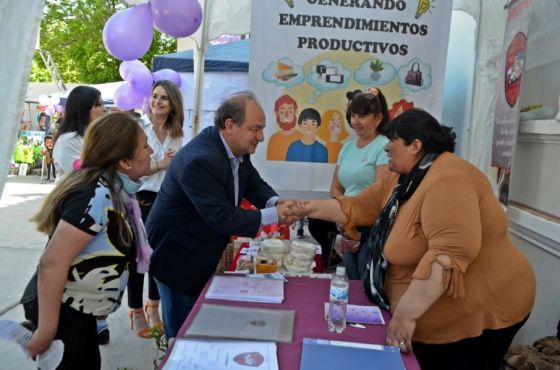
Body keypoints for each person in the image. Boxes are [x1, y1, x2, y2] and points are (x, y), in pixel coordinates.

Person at [294, 108, 536, 370]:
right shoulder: (404, 178)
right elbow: (353, 207)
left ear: (415, 145)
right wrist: (301, 208)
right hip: (434, 317)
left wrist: (406, 315)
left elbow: (446, 258)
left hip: (483, 312)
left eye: (393, 142)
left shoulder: (449, 179)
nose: (386, 149)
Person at [146, 92, 297, 339]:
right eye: (255, 129)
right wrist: (275, 216)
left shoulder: (235, 147)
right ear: (230, 125)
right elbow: (223, 218)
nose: (261, 137)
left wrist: (276, 202)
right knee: (183, 333)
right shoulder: (200, 160)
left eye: (262, 129)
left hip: (200, 251)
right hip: (178, 258)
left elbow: (253, 184)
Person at [21, 112, 153, 369]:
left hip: (79, 314)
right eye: (144, 146)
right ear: (124, 161)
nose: (150, 151)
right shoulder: (96, 194)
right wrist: (47, 331)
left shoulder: (114, 191)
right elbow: (52, 263)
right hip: (65, 314)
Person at [308, 90, 390, 277]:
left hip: (369, 224)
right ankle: (331, 256)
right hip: (346, 221)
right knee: (350, 276)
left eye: (362, 116)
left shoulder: (384, 146)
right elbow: (335, 187)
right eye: (353, 115)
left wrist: (351, 217)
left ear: (378, 118)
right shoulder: (347, 147)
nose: (356, 121)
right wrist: (342, 216)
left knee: (363, 278)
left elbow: (381, 193)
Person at [127, 80, 184, 338]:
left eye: (163, 98)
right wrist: (160, 164)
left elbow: (180, 169)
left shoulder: (179, 133)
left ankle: (153, 308)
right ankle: (136, 311)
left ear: (172, 105)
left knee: (158, 257)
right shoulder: (138, 127)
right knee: (138, 256)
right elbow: (131, 166)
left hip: (167, 200)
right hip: (139, 197)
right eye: (154, 97)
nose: (157, 102)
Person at [53, 86, 105, 182]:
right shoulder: (68, 140)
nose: (103, 109)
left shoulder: (95, 135)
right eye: (98, 105)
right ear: (84, 108)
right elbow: (82, 175)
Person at [266, 94, 302, 161]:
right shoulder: (273, 139)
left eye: (290, 111)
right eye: (282, 112)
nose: (286, 115)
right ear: (276, 113)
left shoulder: (302, 137)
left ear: (295, 112)